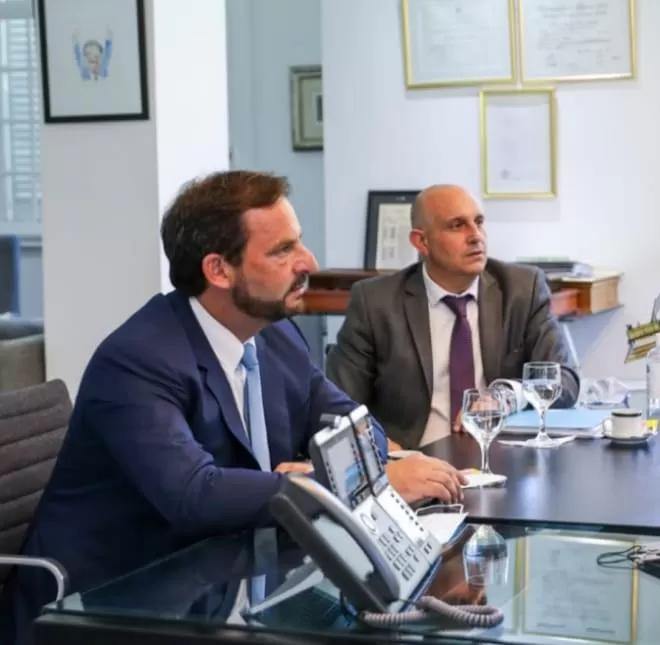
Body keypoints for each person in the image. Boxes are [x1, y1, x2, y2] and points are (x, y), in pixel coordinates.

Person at [0, 171, 464, 645]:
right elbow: (195, 495)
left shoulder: (274, 332)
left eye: (298, 242)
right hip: (110, 603)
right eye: (283, 250)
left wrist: (379, 462)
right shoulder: (138, 360)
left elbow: (345, 416)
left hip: (226, 580)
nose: (308, 261)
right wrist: (327, 486)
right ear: (219, 270)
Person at [327, 184, 580, 450]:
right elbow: (339, 404)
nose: (475, 236)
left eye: (479, 222)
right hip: (415, 461)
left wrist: (504, 396)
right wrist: (383, 449)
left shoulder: (522, 289)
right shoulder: (375, 302)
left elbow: (565, 380)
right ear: (421, 241)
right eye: (457, 225)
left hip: (501, 454)